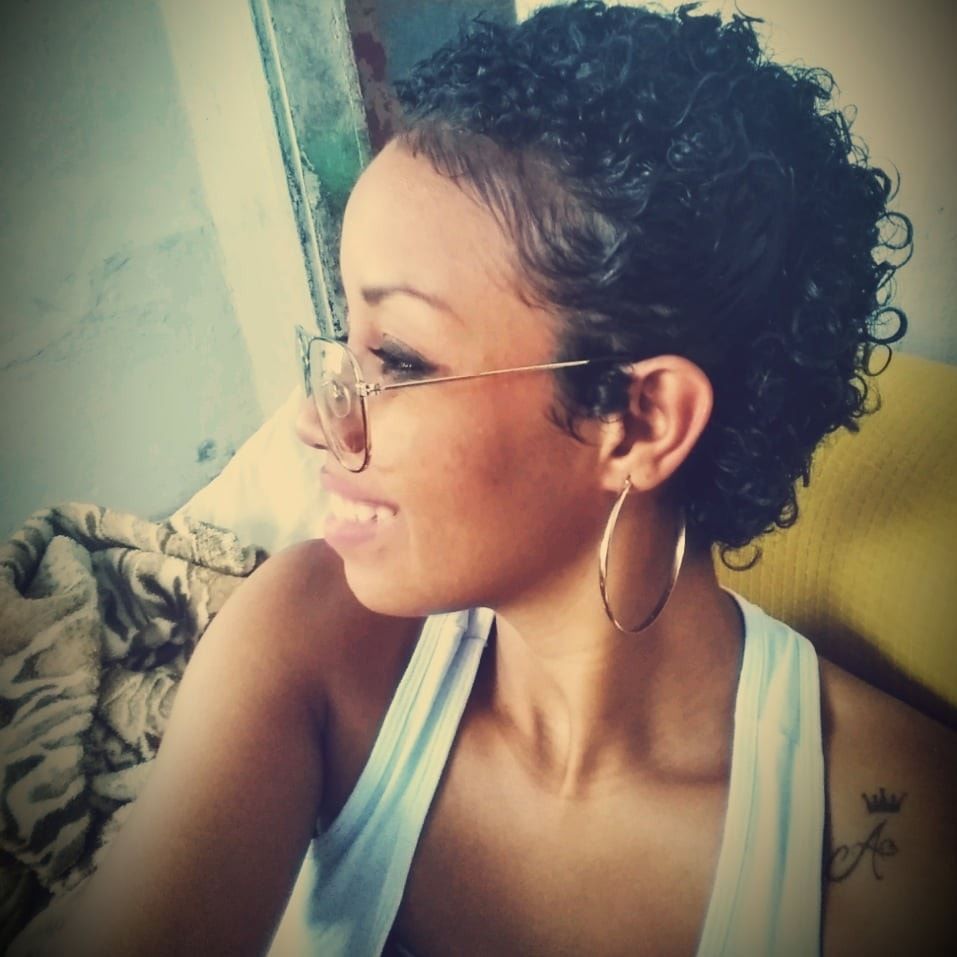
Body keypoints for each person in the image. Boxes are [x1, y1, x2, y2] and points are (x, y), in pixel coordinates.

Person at [28, 2, 955, 955]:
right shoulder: (314, 641)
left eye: (397, 358)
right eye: (347, 342)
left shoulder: (897, 854)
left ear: (638, 422)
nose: (317, 419)